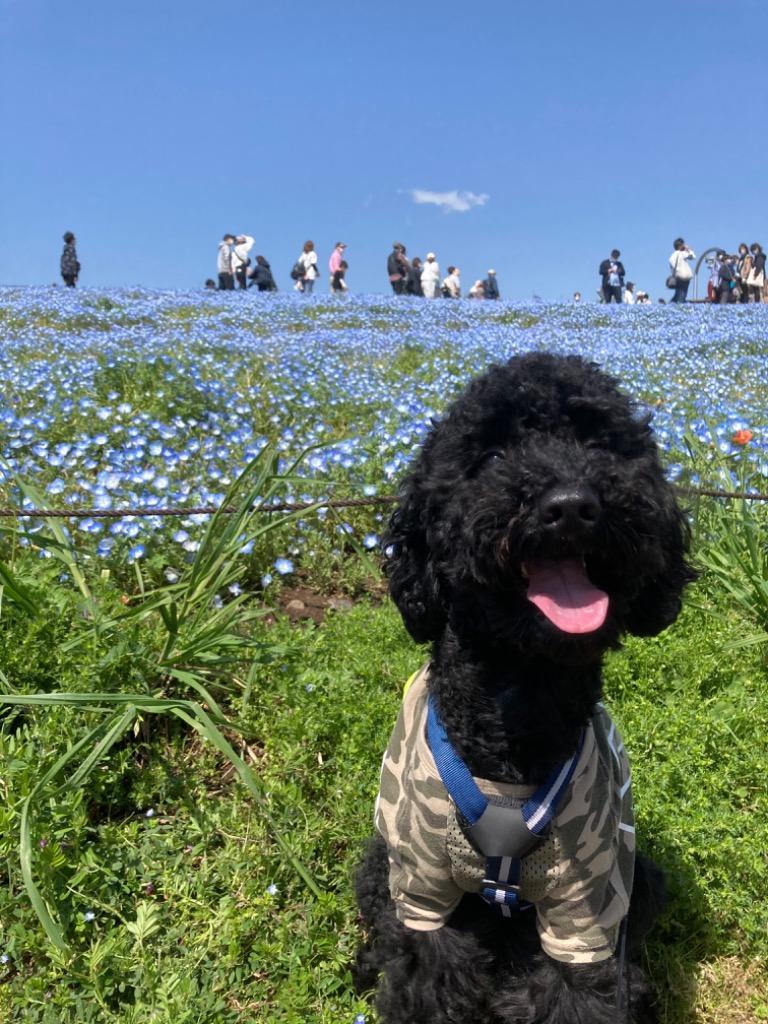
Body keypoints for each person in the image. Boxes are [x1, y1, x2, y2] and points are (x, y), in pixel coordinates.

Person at [668, 238, 695, 303]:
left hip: (677, 277)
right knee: (683, 294)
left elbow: (671, 263)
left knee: (677, 293)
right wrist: (688, 249)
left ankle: (669, 306)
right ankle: (679, 307)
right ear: (681, 246)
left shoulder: (672, 255)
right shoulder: (682, 253)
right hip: (684, 276)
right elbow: (693, 257)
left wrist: (677, 270)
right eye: (683, 244)